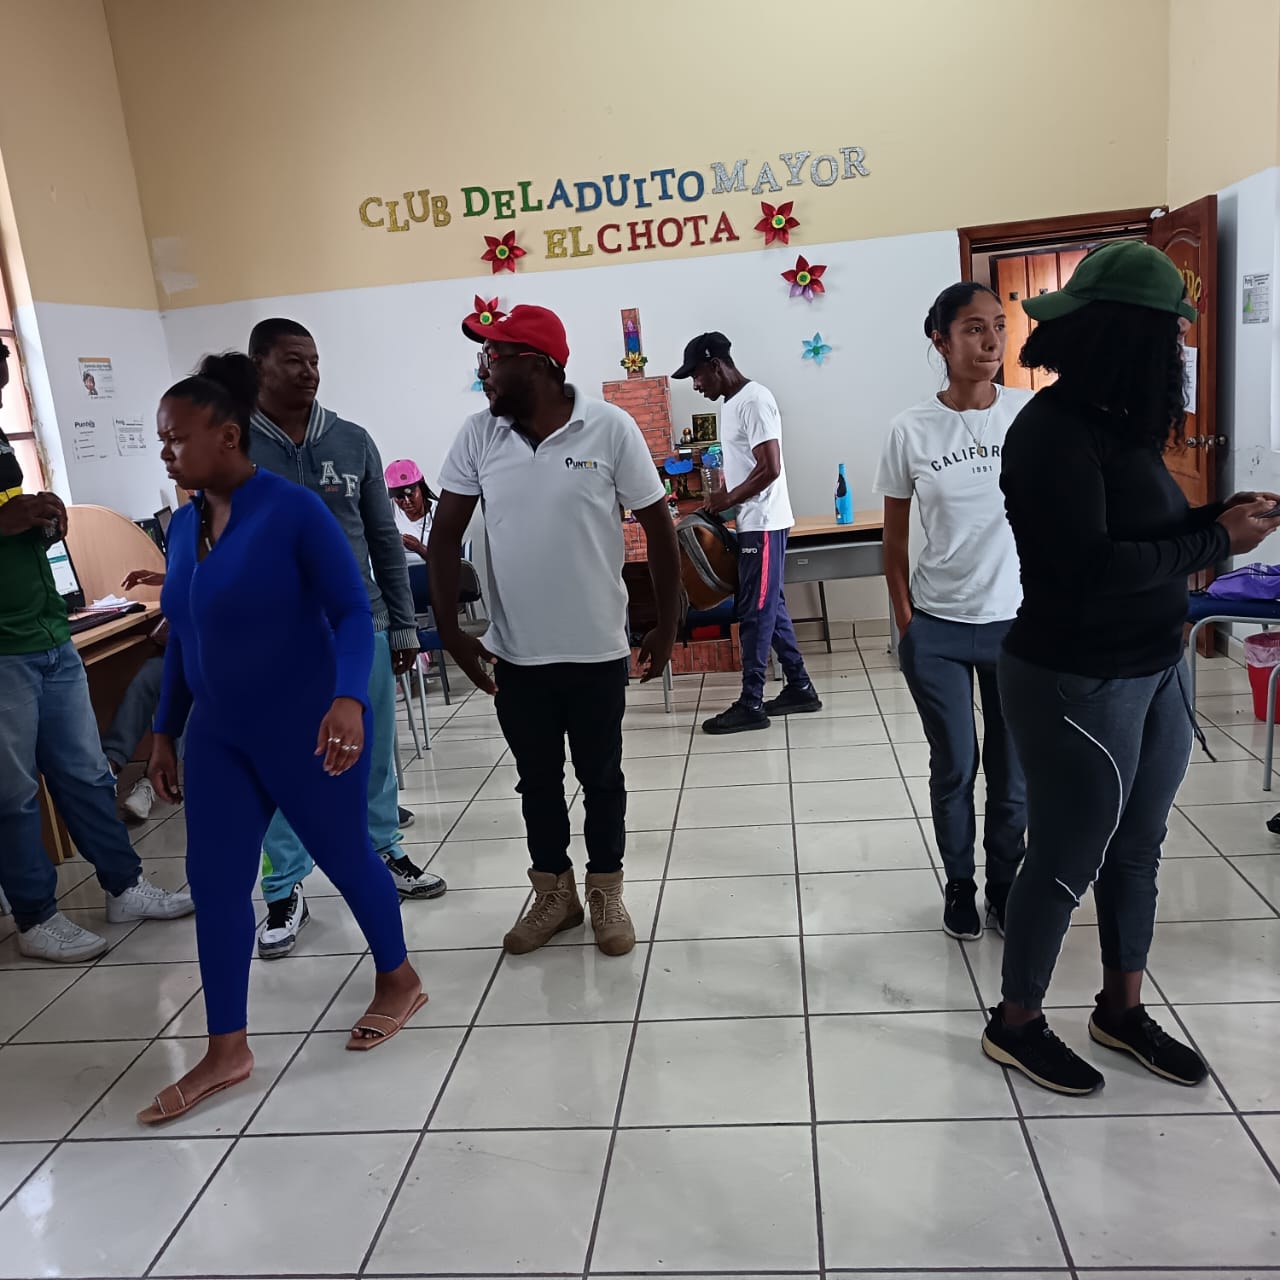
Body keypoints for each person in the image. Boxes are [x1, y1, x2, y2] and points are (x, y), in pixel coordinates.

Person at [982, 240, 1280, 1095]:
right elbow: (1089, 567)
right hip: (1077, 677)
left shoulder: (1120, 423)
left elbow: (1137, 532)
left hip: (1155, 664)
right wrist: (1215, 540)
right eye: (1169, 336)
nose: (1179, 351)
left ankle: (1121, 1010)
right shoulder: (1051, 432)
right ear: (1126, 336)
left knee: (1138, 849)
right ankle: (1015, 1024)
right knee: (1065, 858)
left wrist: (1214, 515)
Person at [141, 353, 425, 1125]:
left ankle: (399, 979)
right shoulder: (182, 527)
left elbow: (350, 612)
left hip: (306, 727)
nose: (166, 452)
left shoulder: (293, 510)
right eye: (161, 439)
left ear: (227, 435)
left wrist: (348, 701)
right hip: (219, 737)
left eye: (176, 438)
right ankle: (226, 1047)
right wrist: (163, 730)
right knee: (216, 885)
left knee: (346, 856)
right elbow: (186, 634)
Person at [429, 304, 680, 957]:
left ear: (536, 365)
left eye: (493, 358)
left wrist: (665, 621)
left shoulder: (610, 427)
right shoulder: (479, 435)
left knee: (602, 779)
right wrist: (451, 631)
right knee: (536, 782)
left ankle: (606, 892)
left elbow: (659, 527)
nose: (483, 372)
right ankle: (554, 895)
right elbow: (444, 535)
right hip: (517, 654)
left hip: (596, 648)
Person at [247, 318, 444, 961]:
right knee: (283, 763)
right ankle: (284, 887)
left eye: (313, 360)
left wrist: (404, 623)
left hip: (363, 627)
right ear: (258, 366)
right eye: (292, 360)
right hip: (277, 639)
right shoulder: (235, 442)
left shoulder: (352, 441)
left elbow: (384, 539)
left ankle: (385, 849)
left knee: (374, 753)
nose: (309, 372)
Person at [0, 340, 193, 963]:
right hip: (4, 652)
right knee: (13, 795)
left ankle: (123, 886)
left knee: (86, 774)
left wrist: (45, 519)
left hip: (48, 634)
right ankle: (35, 918)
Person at [874, 284, 1031, 941]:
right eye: (973, 328)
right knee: (956, 765)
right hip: (937, 628)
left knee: (1013, 772)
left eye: (998, 325)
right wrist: (908, 621)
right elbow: (893, 541)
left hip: (1017, 628)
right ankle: (960, 885)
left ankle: (1006, 887)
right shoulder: (909, 429)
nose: (991, 341)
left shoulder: (1028, 414)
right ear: (940, 340)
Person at [672, 332, 820, 734]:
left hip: (765, 523)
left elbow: (770, 467)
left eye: (696, 375)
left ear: (715, 365)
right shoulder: (733, 403)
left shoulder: (754, 400)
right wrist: (721, 501)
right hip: (752, 522)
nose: (695, 385)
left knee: (755, 610)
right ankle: (800, 687)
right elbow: (747, 466)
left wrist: (729, 499)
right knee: (771, 606)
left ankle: (751, 702)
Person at [101, 569, 170, 823]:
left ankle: (152, 781)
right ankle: (109, 767)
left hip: (227, 646)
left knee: (182, 695)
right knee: (148, 677)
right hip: (187, 642)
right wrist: (167, 577)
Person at [385, 458, 437, 561]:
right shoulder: (386, 509)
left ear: (421, 488)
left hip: (429, 570)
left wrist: (419, 548)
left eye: (410, 494)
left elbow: (447, 562)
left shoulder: (440, 513)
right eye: (399, 497)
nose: (407, 501)